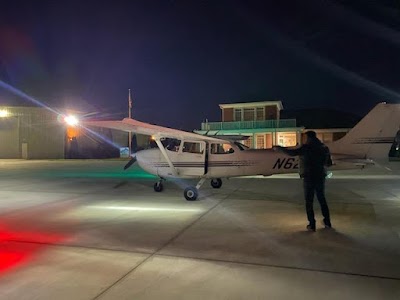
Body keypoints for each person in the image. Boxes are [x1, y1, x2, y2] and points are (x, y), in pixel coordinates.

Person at [273, 131, 333, 231]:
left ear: (308, 138)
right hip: (320, 176)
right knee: (322, 199)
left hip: (309, 176)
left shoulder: (306, 148)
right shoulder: (324, 148)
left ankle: (312, 224)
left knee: (309, 201)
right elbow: (329, 163)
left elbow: (292, 153)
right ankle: (327, 222)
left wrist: (280, 148)